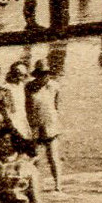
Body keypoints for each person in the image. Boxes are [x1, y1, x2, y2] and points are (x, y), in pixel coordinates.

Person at [24, 62, 64, 191]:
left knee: (53, 156)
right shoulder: (28, 87)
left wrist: (55, 123)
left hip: (50, 125)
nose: (46, 78)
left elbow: (56, 106)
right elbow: (24, 107)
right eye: (42, 75)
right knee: (34, 156)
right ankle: (34, 183)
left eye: (47, 75)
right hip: (34, 125)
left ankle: (58, 184)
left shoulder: (54, 87)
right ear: (37, 75)